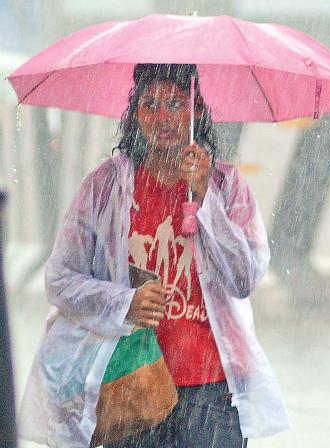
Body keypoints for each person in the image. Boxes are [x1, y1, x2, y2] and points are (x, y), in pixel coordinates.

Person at [17, 64, 289, 447]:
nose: (162, 117)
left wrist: (205, 199)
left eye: (175, 104)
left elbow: (244, 279)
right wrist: (125, 302)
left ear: (196, 111)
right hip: (130, 379)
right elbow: (60, 279)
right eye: (150, 104)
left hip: (212, 392)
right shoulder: (105, 187)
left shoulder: (228, 186)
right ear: (136, 114)